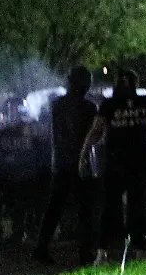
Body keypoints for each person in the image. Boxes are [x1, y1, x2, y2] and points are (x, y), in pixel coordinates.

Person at [80, 66, 146, 261]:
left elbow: (95, 131)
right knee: (133, 204)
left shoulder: (110, 105)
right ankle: (133, 249)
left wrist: (83, 155)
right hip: (133, 161)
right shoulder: (136, 102)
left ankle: (105, 251)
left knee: (114, 205)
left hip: (119, 162)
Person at [33, 67, 99, 264]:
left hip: (60, 162)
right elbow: (87, 137)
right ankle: (85, 253)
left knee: (54, 208)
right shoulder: (88, 108)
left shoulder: (57, 105)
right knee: (84, 209)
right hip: (79, 162)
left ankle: (41, 248)